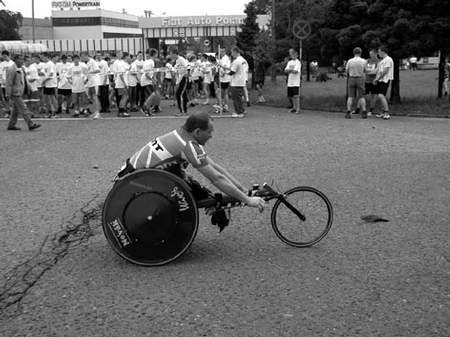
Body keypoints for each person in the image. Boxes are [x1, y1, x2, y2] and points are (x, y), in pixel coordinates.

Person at [116, 111, 265, 230]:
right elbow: (216, 179)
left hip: (132, 174)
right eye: (209, 132)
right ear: (198, 131)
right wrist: (248, 200)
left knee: (195, 187)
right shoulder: (188, 145)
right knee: (195, 190)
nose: (211, 136)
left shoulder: (181, 135)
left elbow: (217, 169)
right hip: (135, 183)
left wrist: (243, 190)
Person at [5, 54, 41, 131]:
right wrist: (8, 93)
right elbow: (9, 82)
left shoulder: (21, 68)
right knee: (23, 108)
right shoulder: (12, 69)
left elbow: (24, 80)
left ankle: (11, 125)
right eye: (21, 59)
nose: (22, 61)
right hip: (15, 93)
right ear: (16, 60)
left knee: (15, 110)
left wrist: (28, 88)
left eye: (22, 59)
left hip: (20, 91)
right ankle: (30, 124)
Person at [345, 47, 367, 119]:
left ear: (354, 53)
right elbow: (365, 70)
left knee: (350, 96)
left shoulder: (350, 61)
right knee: (361, 96)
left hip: (351, 78)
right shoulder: (364, 61)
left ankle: (348, 112)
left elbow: (347, 70)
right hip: (360, 78)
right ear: (360, 53)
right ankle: (364, 112)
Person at [373, 46, 394, 120]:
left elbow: (385, 71)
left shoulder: (388, 59)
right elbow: (377, 71)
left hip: (385, 80)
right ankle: (383, 112)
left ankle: (387, 113)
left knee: (381, 96)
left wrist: (377, 79)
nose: (378, 53)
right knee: (380, 96)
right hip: (380, 80)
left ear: (383, 51)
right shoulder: (382, 60)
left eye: (379, 51)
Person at [228, 47, 248, 118]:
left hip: (236, 82)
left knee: (236, 98)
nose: (231, 54)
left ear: (235, 52)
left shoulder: (237, 61)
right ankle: (241, 110)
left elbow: (232, 72)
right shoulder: (241, 59)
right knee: (238, 97)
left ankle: (239, 112)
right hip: (240, 81)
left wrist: (226, 73)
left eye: (232, 52)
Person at [170, 48, 189, 115]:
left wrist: (186, 74)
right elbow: (177, 69)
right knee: (183, 94)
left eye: (171, 54)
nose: (170, 55)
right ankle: (184, 111)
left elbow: (187, 66)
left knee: (179, 94)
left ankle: (182, 111)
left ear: (175, 54)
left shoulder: (181, 59)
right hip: (180, 79)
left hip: (184, 78)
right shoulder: (177, 60)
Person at [284, 48, 302, 114]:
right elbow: (285, 70)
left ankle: (298, 108)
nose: (292, 55)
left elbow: (296, 71)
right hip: (290, 82)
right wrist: (290, 70)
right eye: (291, 54)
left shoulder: (298, 62)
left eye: (294, 54)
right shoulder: (289, 62)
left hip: (296, 82)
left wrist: (290, 70)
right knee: (290, 96)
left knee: (296, 96)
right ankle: (294, 108)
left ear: (296, 55)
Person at [41, 52, 58, 118]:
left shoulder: (51, 64)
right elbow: (42, 72)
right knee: (47, 98)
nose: (42, 58)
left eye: (43, 57)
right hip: (46, 84)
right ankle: (50, 112)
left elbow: (51, 74)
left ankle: (54, 112)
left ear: (47, 57)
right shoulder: (45, 64)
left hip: (51, 84)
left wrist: (44, 81)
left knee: (52, 98)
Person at [364, 49, 379, 117]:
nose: (370, 55)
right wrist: (368, 72)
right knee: (365, 95)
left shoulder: (378, 61)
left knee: (373, 95)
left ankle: (371, 110)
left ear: (375, 54)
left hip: (374, 81)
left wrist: (368, 72)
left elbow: (376, 71)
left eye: (371, 54)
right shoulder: (367, 60)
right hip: (367, 80)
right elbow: (364, 69)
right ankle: (362, 109)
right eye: (370, 54)